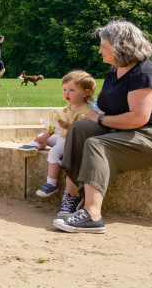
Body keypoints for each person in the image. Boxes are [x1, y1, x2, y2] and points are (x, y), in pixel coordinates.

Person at [53, 20, 152, 234]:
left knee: (96, 144)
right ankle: (72, 196)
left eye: (104, 46)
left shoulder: (144, 74)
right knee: (79, 129)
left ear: (120, 46)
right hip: (128, 132)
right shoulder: (116, 70)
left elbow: (138, 118)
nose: (100, 50)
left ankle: (93, 216)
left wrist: (101, 120)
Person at [18, 70, 96, 198]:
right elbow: (55, 127)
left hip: (70, 141)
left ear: (86, 93)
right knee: (41, 137)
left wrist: (68, 126)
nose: (66, 93)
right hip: (62, 137)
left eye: (71, 90)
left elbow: (83, 131)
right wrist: (44, 136)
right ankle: (36, 146)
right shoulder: (68, 108)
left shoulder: (86, 111)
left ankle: (51, 184)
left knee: (54, 152)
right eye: (64, 89)